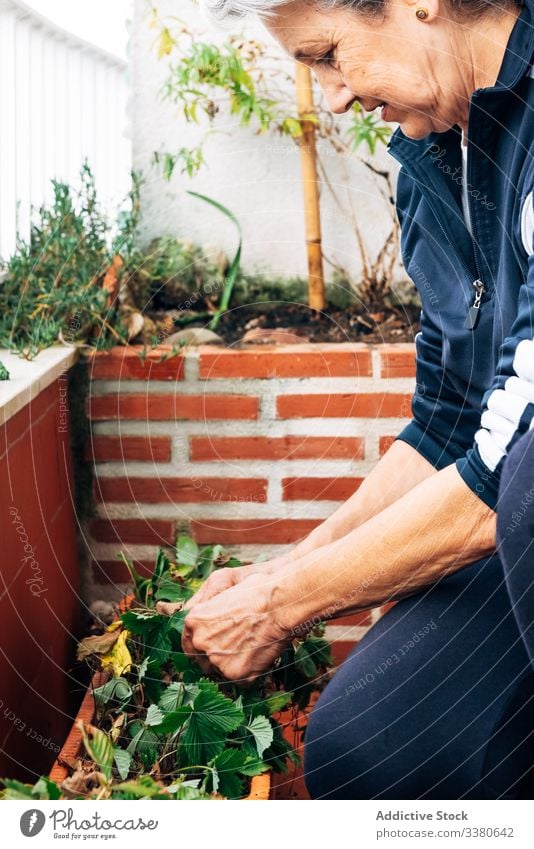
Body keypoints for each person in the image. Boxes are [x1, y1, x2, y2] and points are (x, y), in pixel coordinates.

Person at [158, 0, 534, 798]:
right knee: (366, 746)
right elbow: (444, 424)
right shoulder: (437, 166)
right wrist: (286, 571)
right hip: (517, 519)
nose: (331, 96)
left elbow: (505, 470)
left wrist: (281, 606)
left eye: (328, 53)